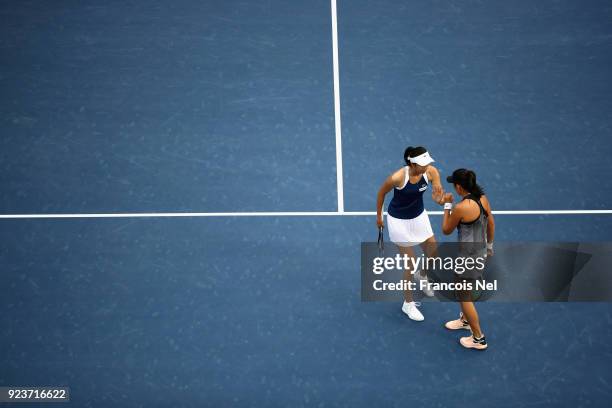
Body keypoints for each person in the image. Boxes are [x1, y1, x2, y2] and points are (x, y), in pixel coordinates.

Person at [376, 146, 444, 321]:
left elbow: (438, 195)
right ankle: (408, 303)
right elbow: (381, 193)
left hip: (419, 217)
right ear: (412, 163)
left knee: (433, 252)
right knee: (410, 264)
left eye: (427, 162)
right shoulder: (398, 177)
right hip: (398, 221)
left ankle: (422, 275)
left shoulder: (431, 172)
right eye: (423, 164)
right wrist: (379, 217)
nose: (426, 166)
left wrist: (442, 200)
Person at [440, 169, 495, 350]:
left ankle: (478, 338)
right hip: (480, 252)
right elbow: (491, 223)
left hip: (468, 258)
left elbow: (446, 229)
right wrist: (489, 247)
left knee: (464, 295)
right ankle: (465, 320)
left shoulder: (462, 208)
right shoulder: (483, 199)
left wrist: (447, 205)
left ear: (458, 186)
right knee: (465, 290)